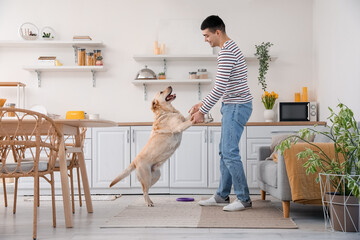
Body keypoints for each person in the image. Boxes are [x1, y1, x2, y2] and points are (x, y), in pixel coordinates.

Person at [190, 15, 253, 211]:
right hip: (234, 105)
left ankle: (243, 199)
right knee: (225, 152)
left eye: (207, 35)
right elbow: (224, 86)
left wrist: (202, 112)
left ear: (218, 32)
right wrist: (202, 104)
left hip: (236, 106)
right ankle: (222, 196)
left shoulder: (226, 53)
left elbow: (218, 88)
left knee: (229, 152)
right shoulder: (230, 48)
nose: (205, 39)